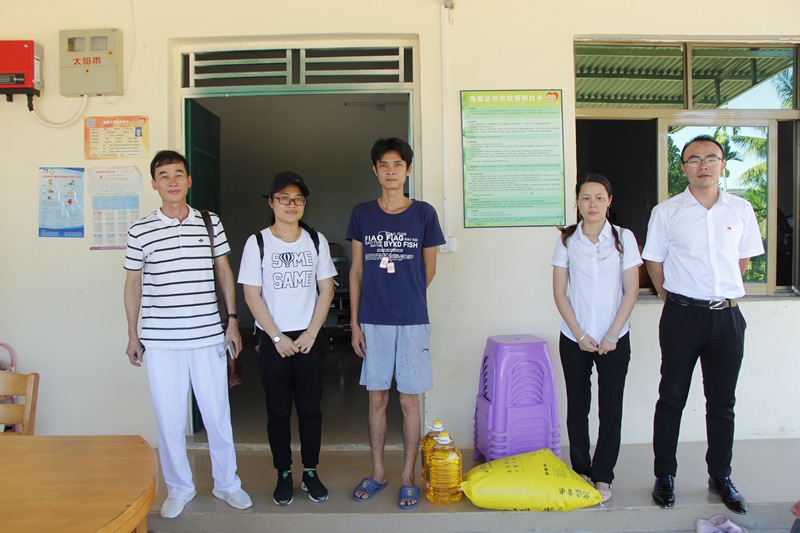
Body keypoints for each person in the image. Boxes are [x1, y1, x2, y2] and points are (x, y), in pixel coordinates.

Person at [123, 150, 252, 519]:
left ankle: (227, 484)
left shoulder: (209, 223)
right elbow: (133, 284)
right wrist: (132, 334)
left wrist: (232, 320)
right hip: (161, 340)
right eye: (164, 175)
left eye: (178, 174)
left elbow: (224, 270)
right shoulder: (140, 230)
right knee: (169, 419)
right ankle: (179, 487)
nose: (172, 181)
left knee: (217, 414)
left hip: (208, 336)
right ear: (154, 183)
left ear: (189, 180)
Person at [643, 135, 764, 515]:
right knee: (671, 398)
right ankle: (665, 476)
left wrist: (719, 292)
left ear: (723, 165)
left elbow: (742, 261)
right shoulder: (667, 212)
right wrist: (673, 297)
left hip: (727, 317)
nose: (703, 165)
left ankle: (720, 476)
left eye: (711, 158)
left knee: (722, 402)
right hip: (682, 316)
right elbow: (654, 262)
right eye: (694, 159)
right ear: (683, 168)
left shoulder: (741, 210)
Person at [346, 137, 445, 510]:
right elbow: (356, 270)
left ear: (409, 169)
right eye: (384, 164)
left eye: (398, 164)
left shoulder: (424, 214)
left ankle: (407, 477)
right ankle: (378, 472)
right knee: (376, 398)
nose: (391, 171)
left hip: (412, 320)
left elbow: (429, 268)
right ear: (375, 170)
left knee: (408, 399)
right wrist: (355, 322)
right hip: (372, 320)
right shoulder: (362, 213)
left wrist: (406, 297)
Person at [238, 171, 336, 506]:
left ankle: (310, 472)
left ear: (304, 204)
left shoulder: (315, 240)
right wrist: (277, 337)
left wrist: (311, 332)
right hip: (272, 339)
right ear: (271, 202)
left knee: (310, 410)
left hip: (309, 338)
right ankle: (283, 473)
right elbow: (251, 295)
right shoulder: (258, 242)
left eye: (298, 199)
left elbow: (327, 289)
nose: (291, 205)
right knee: (278, 411)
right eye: (284, 198)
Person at [552, 173, 641, 503]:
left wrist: (612, 334)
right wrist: (579, 334)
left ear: (609, 202)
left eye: (599, 197)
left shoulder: (623, 238)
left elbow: (631, 291)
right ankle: (581, 470)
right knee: (577, 408)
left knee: (610, 409)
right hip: (574, 338)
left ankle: (603, 475)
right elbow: (559, 293)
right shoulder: (567, 241)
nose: (592, 204)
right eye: (586, 197)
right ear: (577, 202)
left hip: (614, 338)